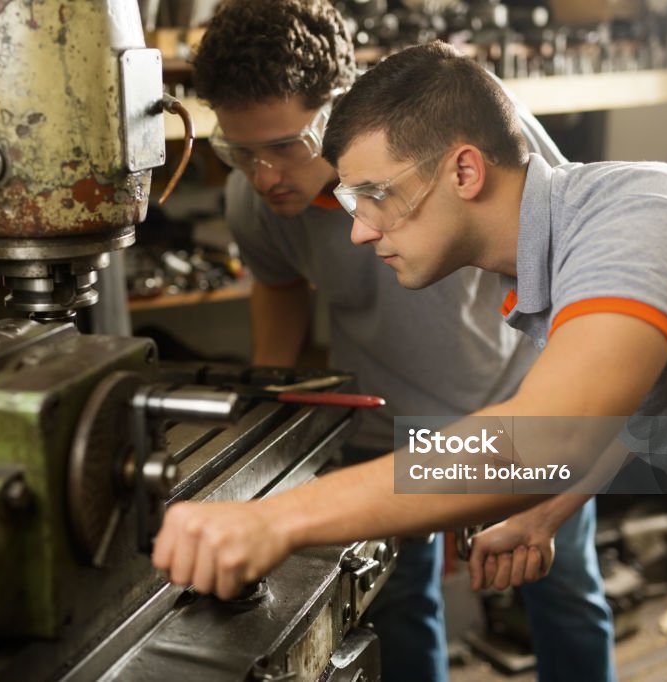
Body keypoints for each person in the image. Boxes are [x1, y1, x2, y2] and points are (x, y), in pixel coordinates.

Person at [155, 39, 667, 681]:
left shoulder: (633, 227)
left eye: (374, 195)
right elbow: (640, 401)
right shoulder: (554, 255)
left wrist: (275, 519)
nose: (358, 229)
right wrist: (544, 510)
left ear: (464, 171)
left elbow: (550, 437)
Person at [187, 3, 615, 681]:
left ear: (336, 105)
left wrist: (555, 437)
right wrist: (272, 412)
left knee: (562, 592)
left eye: (283, 146)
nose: (265, 175)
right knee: (397, 606)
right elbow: (278, 286)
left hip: (514, 411)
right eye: (240, 151)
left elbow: (578, 258)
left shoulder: (459, 131)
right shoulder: (259, 206)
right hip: (385, 431)